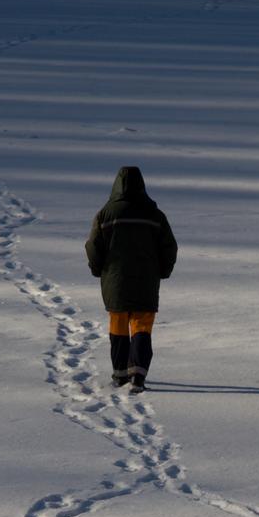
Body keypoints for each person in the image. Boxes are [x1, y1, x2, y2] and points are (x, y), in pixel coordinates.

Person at [85, 165, 178, 392]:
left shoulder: (105, 214)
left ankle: (119, 374)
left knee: (118, 325)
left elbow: (93, 246)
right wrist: (163, 270)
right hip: (146, 282)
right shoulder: (155, 215)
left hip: (115, 281)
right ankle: (138, 374)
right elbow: (169, 247)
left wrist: (97, 269)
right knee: (141, 325)